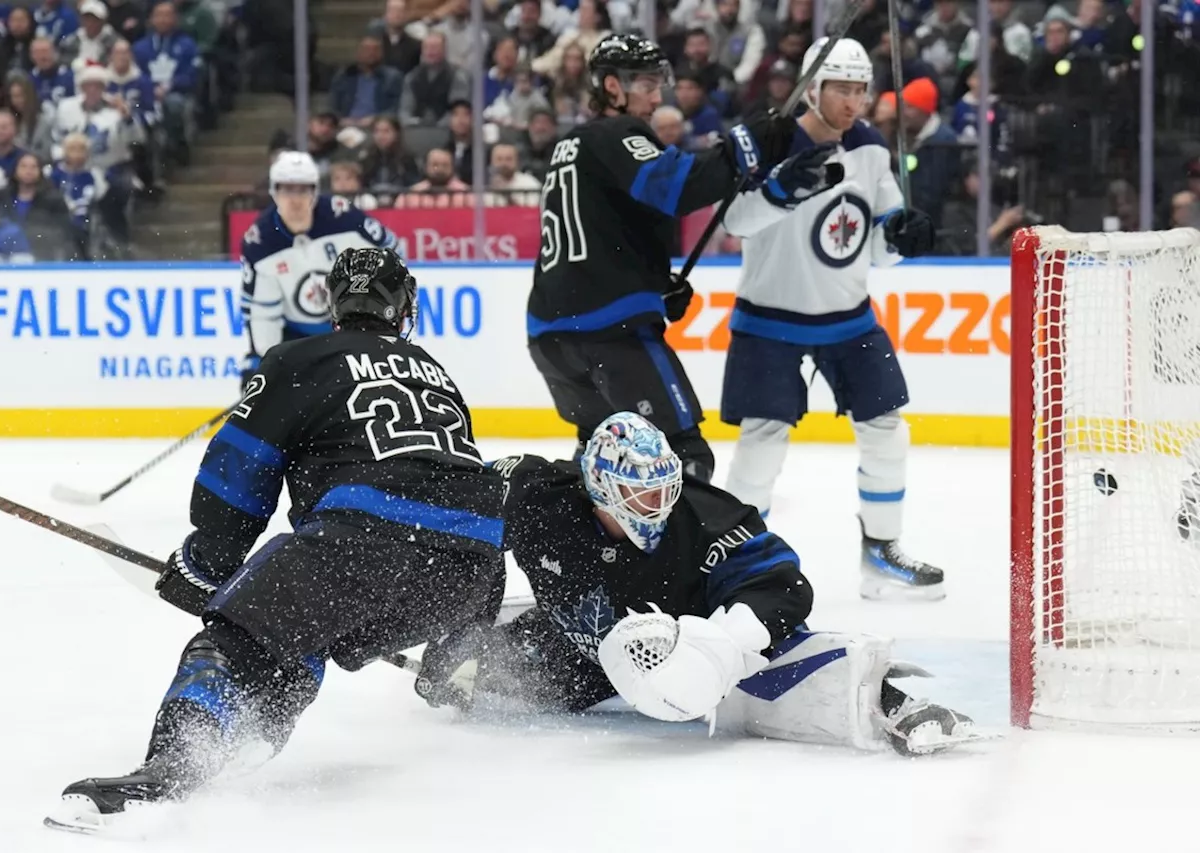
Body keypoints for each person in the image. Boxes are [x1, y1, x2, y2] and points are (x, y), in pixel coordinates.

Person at [44, 248, 508, 834]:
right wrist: (464, 634)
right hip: (466, 576)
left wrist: (205, 564)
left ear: (333, 302)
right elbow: (456, 483)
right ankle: (250, 738)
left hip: (364, 545)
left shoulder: (300, 358)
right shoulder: (436, 372)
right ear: (403, 307)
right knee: (299, 627)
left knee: (235, 640)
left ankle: (171, 769)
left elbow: (236, 476)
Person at [415, 413, 983, 756]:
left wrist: (721, 647)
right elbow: (465, 539)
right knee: (476, 675)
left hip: (694, 639)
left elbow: (782, 585)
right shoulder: (537, 495)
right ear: (597, 487)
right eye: (639, 494)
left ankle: (893, 703)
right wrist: (460, 634)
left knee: (781, 652)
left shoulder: (707, 517)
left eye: (663, 488)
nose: (657, 506)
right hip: (587, 651)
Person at [525, 32, 841, 482]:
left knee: (602, 465)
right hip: (606, 331)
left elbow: (602, 228)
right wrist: (746, 143)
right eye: (646, 85)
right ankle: (689, 555)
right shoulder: (616, 133)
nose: (657, 97)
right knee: (681, 460)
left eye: (659, 83)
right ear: (611, 86)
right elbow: (676, 187)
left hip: (551, 336)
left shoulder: (571, 146)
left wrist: (650, 285)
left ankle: (588, 551)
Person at [718, 37, 943, 601]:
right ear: (812, 88)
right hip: (769, 320)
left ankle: (881, 554)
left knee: (888, 431)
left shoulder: (869, 148)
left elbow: (876, 245)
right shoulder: (772, 141)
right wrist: (779, 190)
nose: (853, 101)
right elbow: (737, 222)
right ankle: (740, 561)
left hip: (849, 318)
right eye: (841, 87)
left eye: (861, 88)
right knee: (761, 444)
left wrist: (899, 238)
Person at [240, 150, 400, 389]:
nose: (295, 199)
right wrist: (265, 361)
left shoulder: (344, 218)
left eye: (303, 189)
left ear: (314, 190)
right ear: (274, 191)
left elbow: (391, 254)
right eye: (286, 189)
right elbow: (262, 312)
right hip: (295, 337)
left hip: (352, 329)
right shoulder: (260, 243)